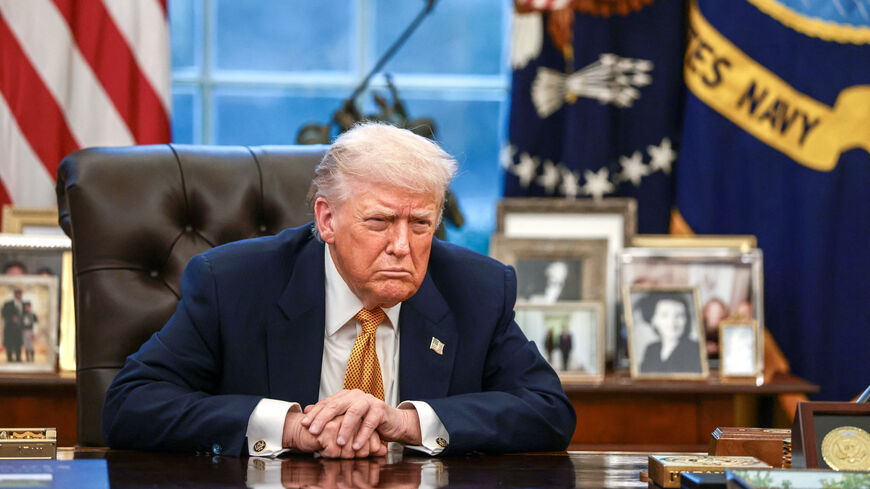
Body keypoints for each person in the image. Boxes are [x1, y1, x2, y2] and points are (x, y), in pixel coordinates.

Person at [102, 123, 576, 458]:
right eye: (380, 221)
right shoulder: (233, 283)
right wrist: (289, 428)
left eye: (421, 224)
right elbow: (131, 404)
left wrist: (406, 422)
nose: (402, 246)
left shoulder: (477, 288)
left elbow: (549, 411)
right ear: (327, 219)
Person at [637, 292, 701, 373]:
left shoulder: (696, 350)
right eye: (665, 315)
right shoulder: (651, 350)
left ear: (687, 320)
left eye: (679, 315)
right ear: (653, 320)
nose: (672, 322)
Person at [2, 289, 24, 363]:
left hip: (19, 329)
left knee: (18, 344)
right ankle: (9, 358)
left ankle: (18, 358)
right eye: (18, 294)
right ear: (15, 294)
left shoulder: (23, 304)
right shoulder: (8, 304)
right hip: (10, 328)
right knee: (9, 344)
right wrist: (11, 318)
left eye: (21, 294)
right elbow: (3, 314)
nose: (20, 295)